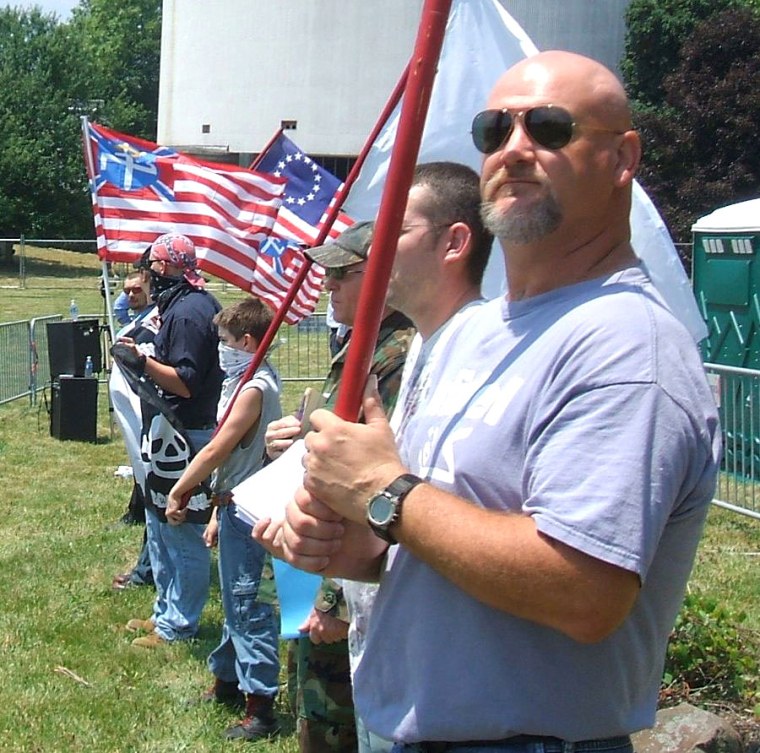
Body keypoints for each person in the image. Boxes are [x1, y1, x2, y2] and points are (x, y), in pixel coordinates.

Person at [273, 51, 722, 751]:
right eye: (494, 130)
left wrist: (383, 490)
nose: (514, 148)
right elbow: (420, 539)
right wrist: (347, 543)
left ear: (622, 157)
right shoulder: (472, 333)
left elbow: (584, 590)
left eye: (549, 127)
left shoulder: (627, 344)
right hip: (402, 726)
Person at [264, 220, 414, 753]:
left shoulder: (398, 355)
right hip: (325, 560)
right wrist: (300, 439)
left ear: (380, 276)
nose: (327, 284)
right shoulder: (364, 345)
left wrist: (333, 597)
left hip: (354, 576)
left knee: (337, 723)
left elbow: (380, 479)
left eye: (340, 273)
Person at [164, 296, 283, 741]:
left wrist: (182, 487)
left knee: (248, 602)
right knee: (235, 603)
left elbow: (219, 449)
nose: (220, 348)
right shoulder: (243, 381)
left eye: (225, 340)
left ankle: (261, 706)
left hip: (250, 508)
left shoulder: (254, 390)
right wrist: (216, 510)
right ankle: (229, 684)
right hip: (232, 505)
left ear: (247, 341)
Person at [120, 232, 224, 649]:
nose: (147, 277)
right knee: (159, 522)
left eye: (151, 268)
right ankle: (165, 610)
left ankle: (179, 624)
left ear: (163, 269)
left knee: (179, 525)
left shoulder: (187, 313)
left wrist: (142, 361)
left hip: (186, 431)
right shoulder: (184, 304)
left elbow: (184, 383)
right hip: (170, 430)